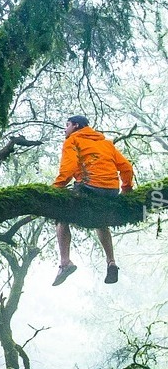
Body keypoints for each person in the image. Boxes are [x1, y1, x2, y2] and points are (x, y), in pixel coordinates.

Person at [52, 115, 133, 286]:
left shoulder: (72, 140)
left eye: (66, 125)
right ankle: (111, 262)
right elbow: (126, 167)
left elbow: (69, 168)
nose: (64, 130)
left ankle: (65, 263)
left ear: (75, 125)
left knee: (60, 214)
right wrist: (126, 188)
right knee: (100, 221)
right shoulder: (106, 143)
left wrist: (55, 190)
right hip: (111, 191)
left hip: (89, 189)